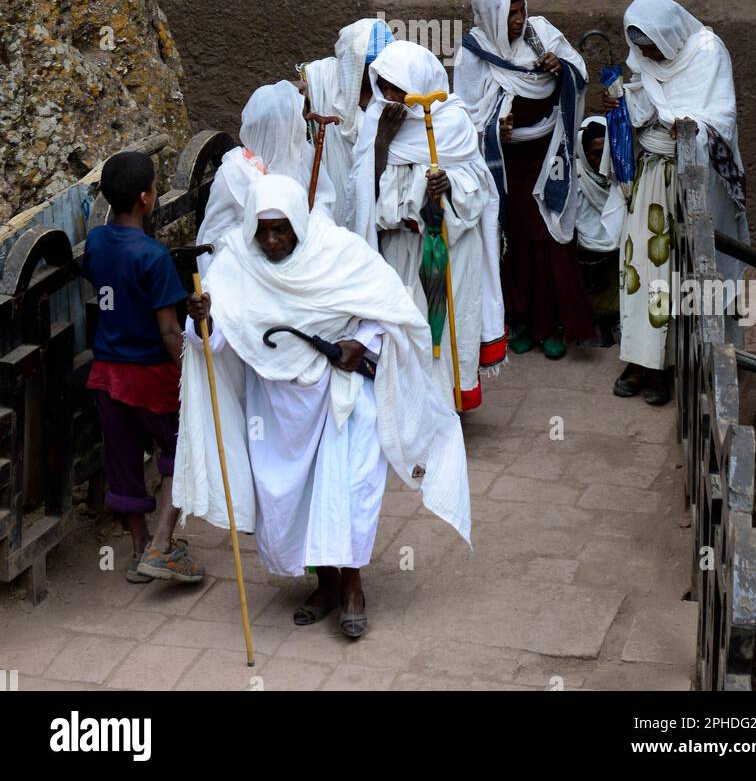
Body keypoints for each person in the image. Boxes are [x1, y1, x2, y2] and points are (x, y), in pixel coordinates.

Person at [177, 173, 470, 640]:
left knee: (349, 491)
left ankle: (353, 588)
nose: (272, 240)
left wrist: (362, 342)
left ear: (298, 223)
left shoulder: (339, 251)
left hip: (340, 395)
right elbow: (215, 343)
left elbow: (389, 308)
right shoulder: (235, 262)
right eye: (263, 229)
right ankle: (327, 583)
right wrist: (202, 321)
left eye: (281, 229)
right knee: (292, 498)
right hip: (275, 408)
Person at [603, 0, 749, 406]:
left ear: (668, 34)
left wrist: (688, 130)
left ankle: (677, 366)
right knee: (642, 270)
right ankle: (641, 360)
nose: (646, 55)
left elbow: (721, 117)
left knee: (684, 274)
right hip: (651, 179)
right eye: (639, 48)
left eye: (651, 46)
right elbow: (643, 106)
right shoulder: (642, 58)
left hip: (694, 184)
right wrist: (621, 108)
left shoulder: (707, 53)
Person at [346, 39, 505, 411]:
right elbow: (361, 191)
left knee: (448, 327)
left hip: (452, 244)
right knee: (408, 326)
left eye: (397, 89)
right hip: (401, 247)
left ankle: (447, 407)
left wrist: (449, 185)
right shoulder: (378, 121)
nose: (389, 97)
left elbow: (480, 184)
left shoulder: (453, 122)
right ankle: (410, 407)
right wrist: (383, 143)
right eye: (383, 87)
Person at [454, 0, 596, 359]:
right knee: (511, 239)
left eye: (522, 11)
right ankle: (520, 322)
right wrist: (492, 130)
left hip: (548, 154)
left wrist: (559, 68)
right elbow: (463, 114)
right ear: (490, 15)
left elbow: (578, 77)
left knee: (549, 236)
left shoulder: (543, 34)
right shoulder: (474, 51)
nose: (518, 20)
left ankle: (552, 326)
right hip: (501, 163)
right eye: (509, 14)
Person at [81, 151, 204, 585]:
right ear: (146, 198)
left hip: (107, 374)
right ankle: (161, 547)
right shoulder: (153, 256)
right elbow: (170, 330)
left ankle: (137, 552)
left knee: (124, 460)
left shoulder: (95, 242)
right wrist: (191, 370)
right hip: (151, 374)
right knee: (178, 451)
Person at [196, 81, 334, 276]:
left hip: (304, 262)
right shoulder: (235, 172)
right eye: (294, 125)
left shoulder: (302, 155)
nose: (299, 132)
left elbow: (323, 200)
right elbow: (215, 236)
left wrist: (310, 228)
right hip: (251, 270)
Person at [301, 18, 394, 227]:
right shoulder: (320, 80)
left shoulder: (393, 89)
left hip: (377, 203)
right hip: (325, 199)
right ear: (352, 61)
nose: (378, 71)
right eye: (370, 65)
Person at [575, 116, 622, 344]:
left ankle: (614, 321)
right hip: (585, 255)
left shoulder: (624, 181)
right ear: (582, 153)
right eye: (595, 154)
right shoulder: (576, 179)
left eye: (606, 154)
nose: (602, 161)